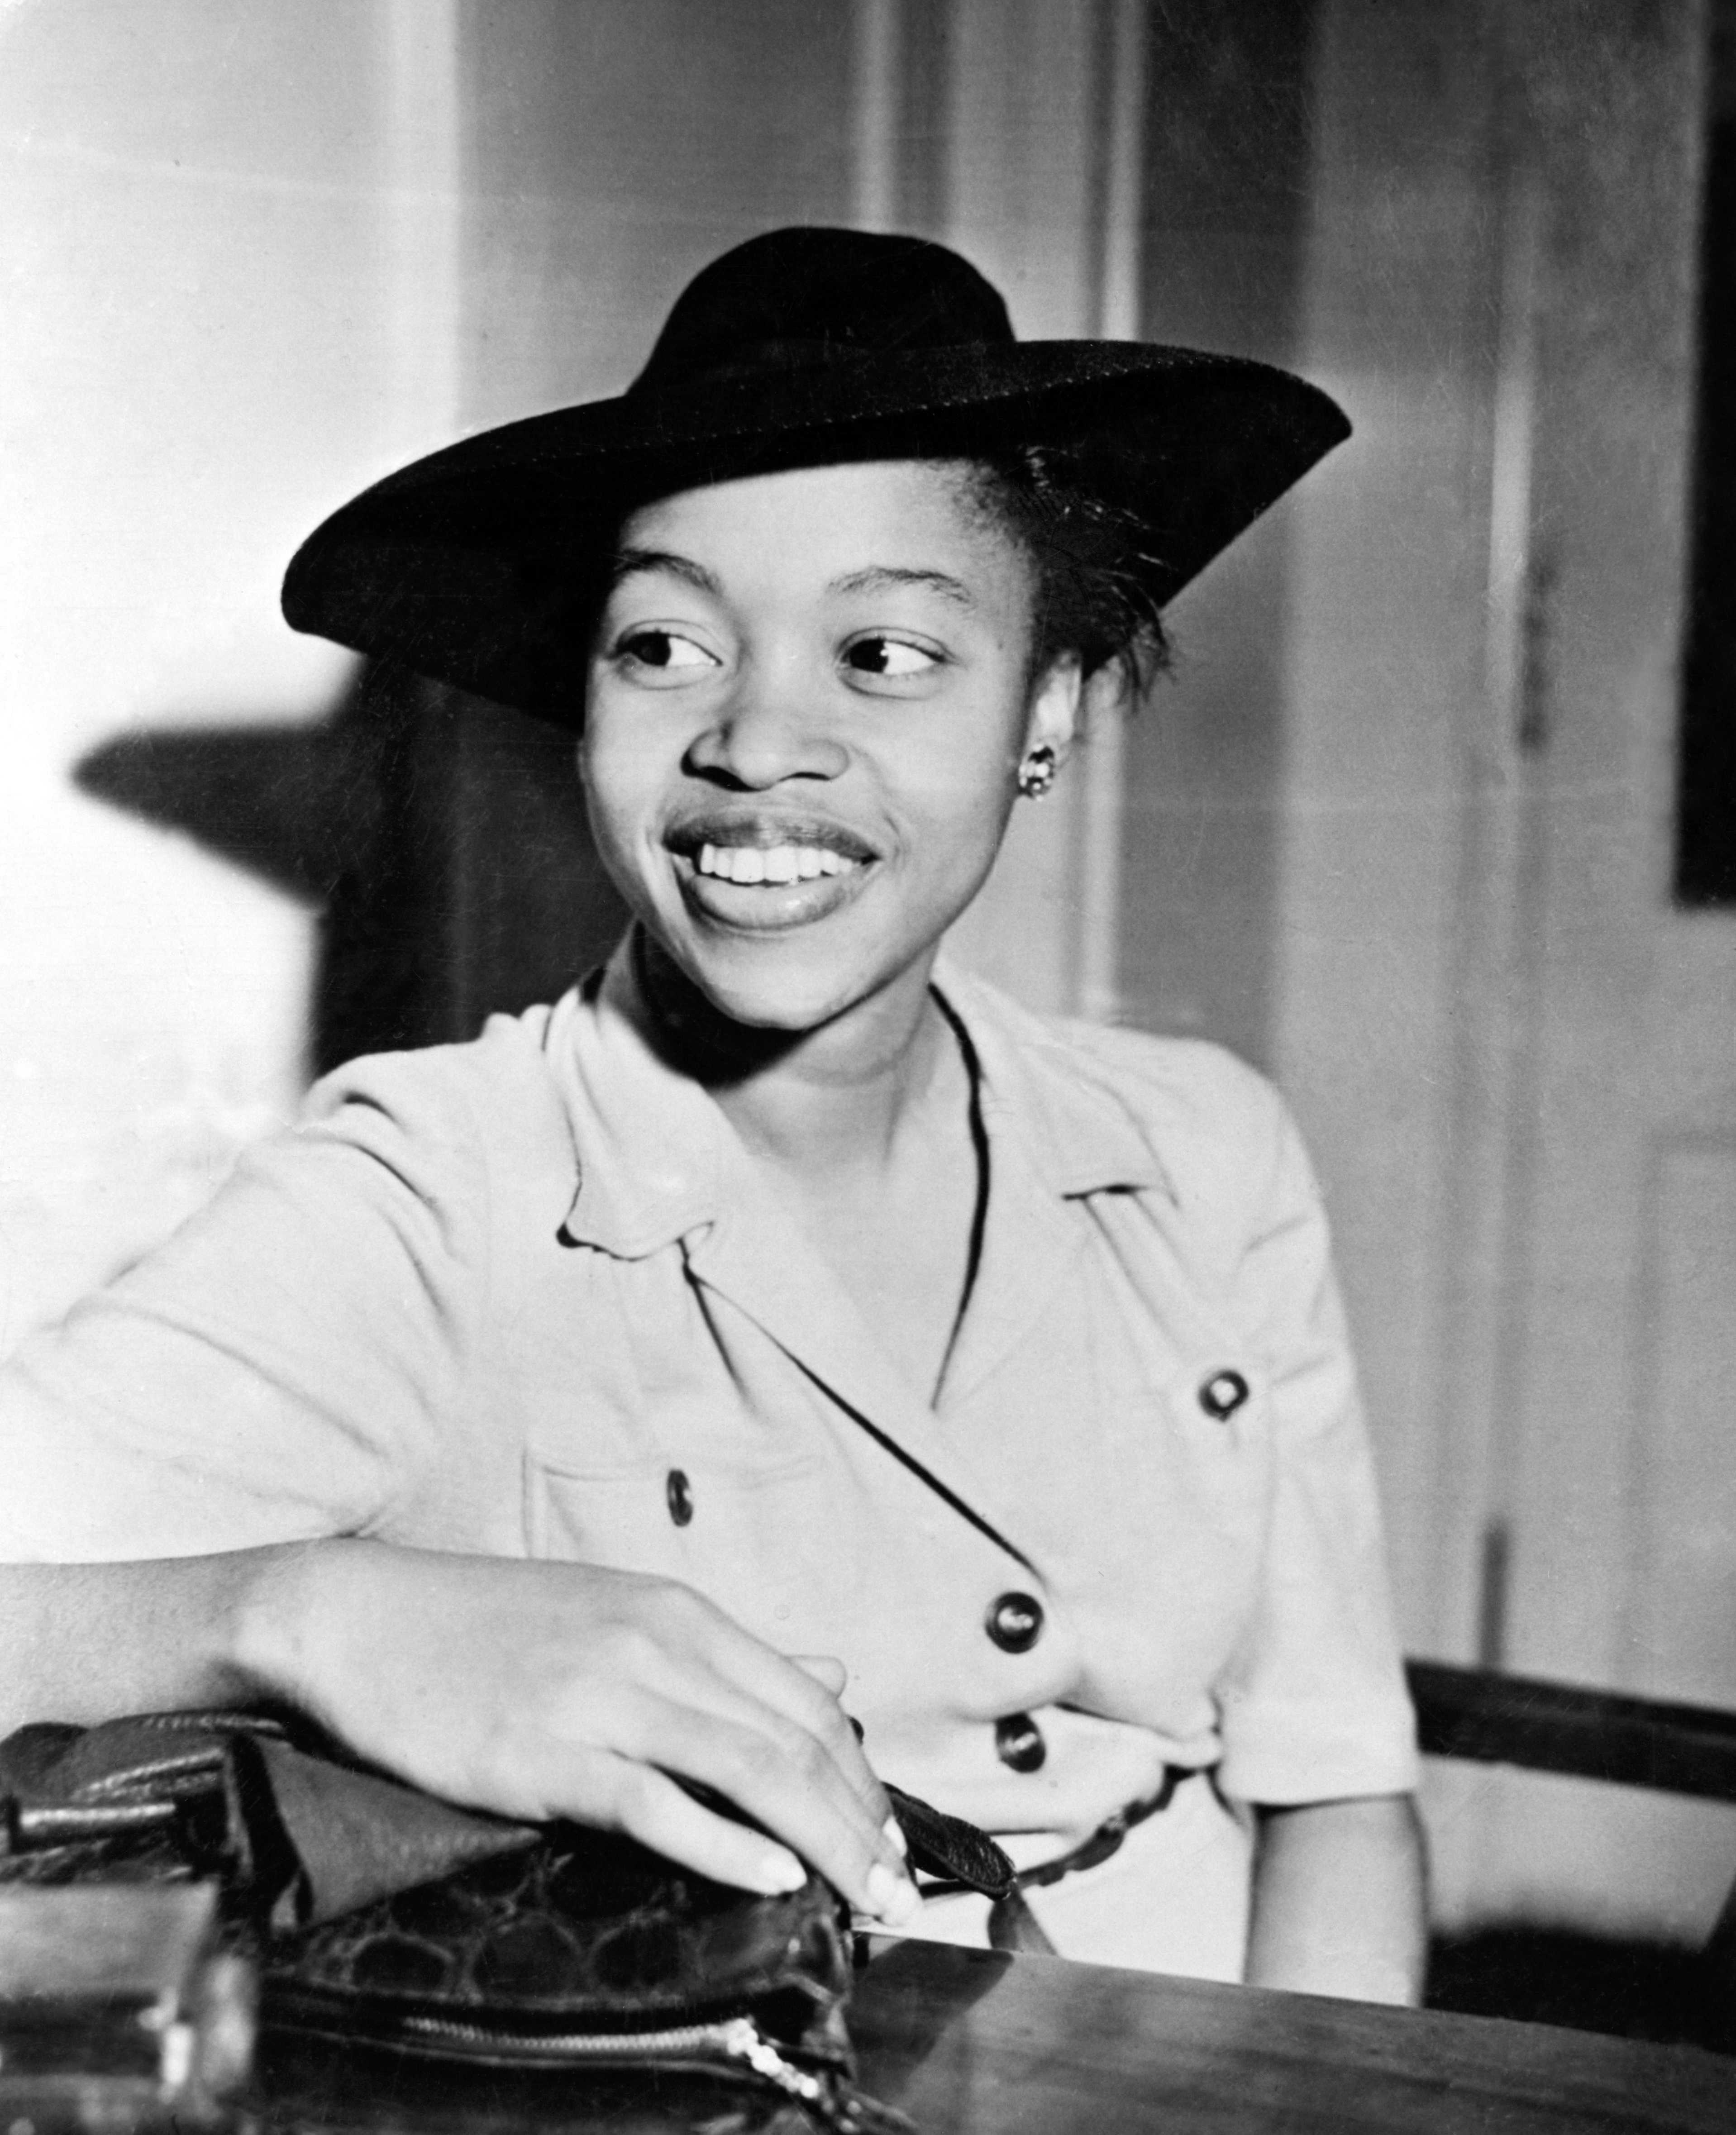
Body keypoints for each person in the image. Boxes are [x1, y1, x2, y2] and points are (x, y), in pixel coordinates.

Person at [0, 228, 1425, 1999]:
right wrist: (290, 1612)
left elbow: (1337, 1791)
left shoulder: (1205, 1149)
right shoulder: (436, 1193)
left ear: (1041, 709)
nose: (759, 739)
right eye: (665, 641)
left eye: (886, 653)